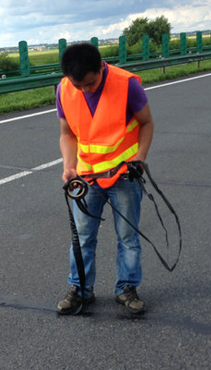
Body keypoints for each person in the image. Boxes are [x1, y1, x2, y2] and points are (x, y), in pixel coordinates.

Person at [55, 43, 154, 315]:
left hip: (124, 175)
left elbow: (146, 122)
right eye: (80, 86)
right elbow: (67, 133)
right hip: (86, 176)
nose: (86, 90)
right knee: (82, 237)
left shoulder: (127, 84)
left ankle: (127, 288)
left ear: (101, 66)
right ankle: (80, 289)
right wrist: (69, 166)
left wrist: (140, 159)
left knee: (128, 237)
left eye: (90, 83)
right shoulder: (65, 89)